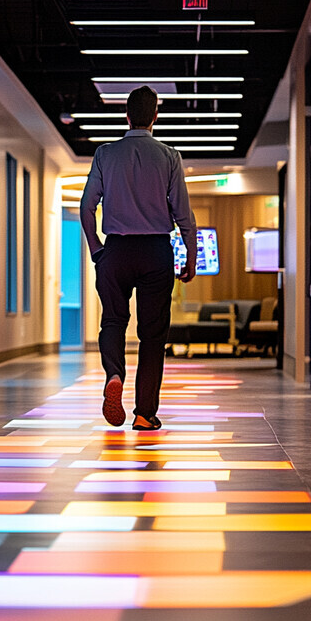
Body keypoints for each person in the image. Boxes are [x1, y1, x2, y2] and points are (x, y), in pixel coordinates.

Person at [79, 85, 198, 430]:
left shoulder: (104, 154)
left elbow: (87, 207)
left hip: (116, 249)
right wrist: (189, 257)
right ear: (155, 117)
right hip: (155, 251)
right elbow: (183, 214)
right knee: (153, 335)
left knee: (114, 320)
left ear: (126, 116)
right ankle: (145, 414)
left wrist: (97, 249)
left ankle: (114, 374)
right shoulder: (169, 156)